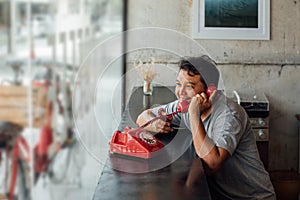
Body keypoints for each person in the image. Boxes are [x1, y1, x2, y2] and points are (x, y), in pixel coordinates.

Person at [136, 55, 275, 199]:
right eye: (178, 84)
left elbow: (211, 164)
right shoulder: (185, 104)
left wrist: (194, 114)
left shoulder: (229, 116)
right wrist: (154, 123)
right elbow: (143, 117)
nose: (180, 92)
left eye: (189, 86)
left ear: (209, 91)